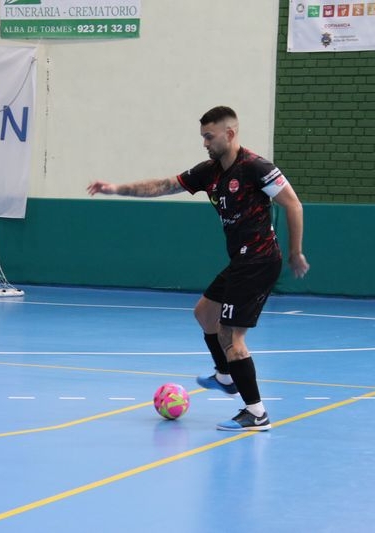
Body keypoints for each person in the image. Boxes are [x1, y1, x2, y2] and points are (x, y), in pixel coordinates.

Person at [87, 106, 310, 432]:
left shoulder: (255, 167)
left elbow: (293, 203)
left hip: (259, 260)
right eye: (203, 137)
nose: (205, 143)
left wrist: (295, 252)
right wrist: (116, 188)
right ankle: (226, 376)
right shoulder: (210, 172)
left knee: (232, 337)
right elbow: (164, 185)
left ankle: (256, 413)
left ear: (229, 134)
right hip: (241, 260)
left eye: (209, 136)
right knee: (205, 313)